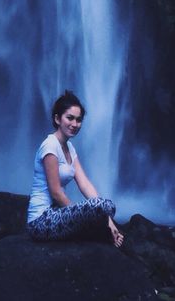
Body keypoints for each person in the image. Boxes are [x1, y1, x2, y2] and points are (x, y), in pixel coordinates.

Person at [26, 90, 124, 247]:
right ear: (57, 119)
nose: (75, 124)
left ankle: (105, 228)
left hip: (58, 214)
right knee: (102, 207)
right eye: (70, 118)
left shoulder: (69, 147)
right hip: (41, 221)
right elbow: (56, 193)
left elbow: (84, 184)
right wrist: (79, 213)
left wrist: (109, 221)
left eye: (78, 120)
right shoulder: (50, 145)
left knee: (104, 205)